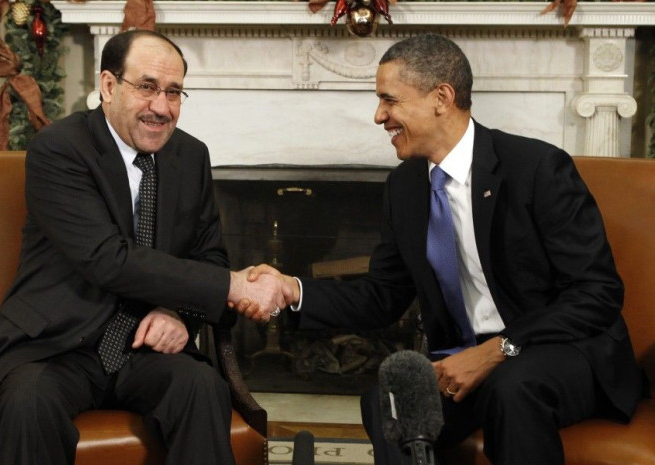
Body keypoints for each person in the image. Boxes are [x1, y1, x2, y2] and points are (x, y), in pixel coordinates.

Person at [242, 33, 643, 464]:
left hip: (561, 352)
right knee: (389, 399)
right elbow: (382, 296)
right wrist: (293, 290)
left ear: (441, 97)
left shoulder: (536, 168)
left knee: (513, 388)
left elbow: (596, 294)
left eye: (389, 100)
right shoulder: (405, 186)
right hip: (466, 359)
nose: (379, 116)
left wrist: (497, 350)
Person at [0, 29, 288, 465]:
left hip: (145, 348)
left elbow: (209, 255)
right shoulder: (59, 149)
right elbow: (107, 259)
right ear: (108, 85)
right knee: (29, 404)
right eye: (147, 88)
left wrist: (179, 312)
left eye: (174, 92)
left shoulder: (190, 156)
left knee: (201, 387)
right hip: (56, 344)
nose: (161, 107)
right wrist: (232, 287)